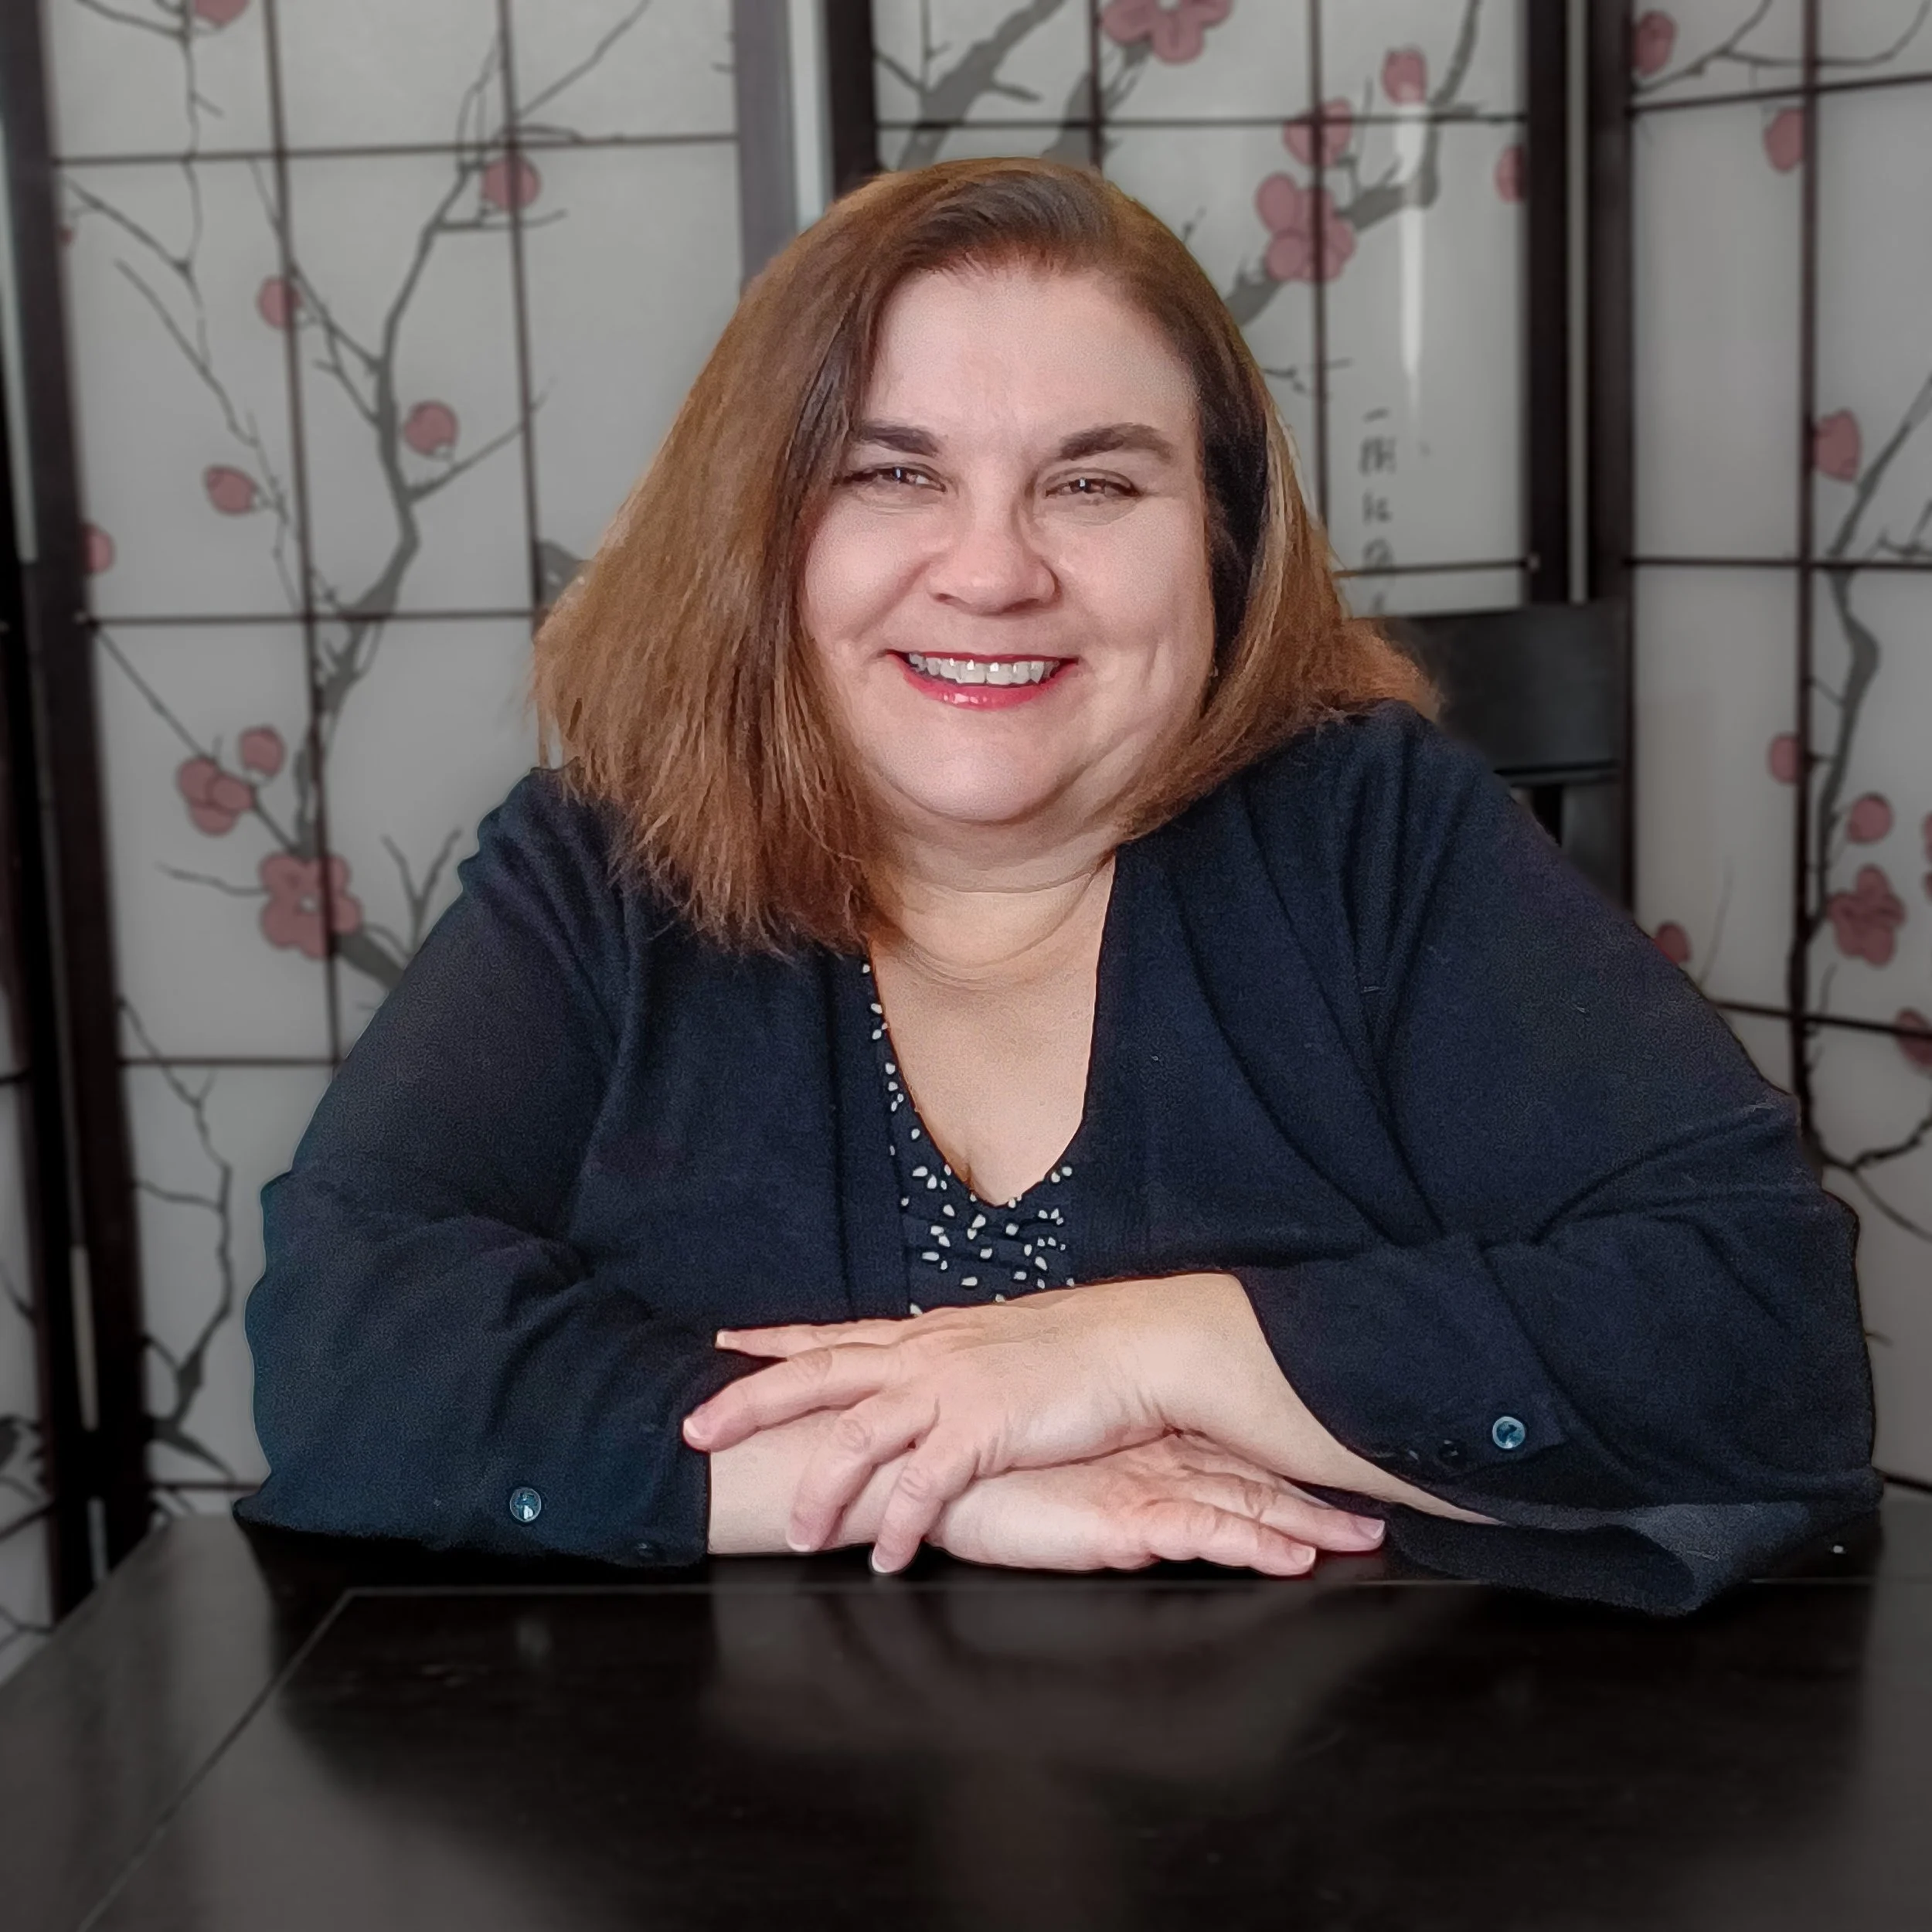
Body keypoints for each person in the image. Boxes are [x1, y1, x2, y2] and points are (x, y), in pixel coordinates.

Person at [238, 159, 1878, 1612]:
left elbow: (1751, 1332)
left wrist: (1119, 1352)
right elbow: (349, 1340)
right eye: (890, 473)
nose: (992, 567)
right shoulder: (605, 864)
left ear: (1221, 547)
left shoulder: (1372, 834)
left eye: (1094, 481)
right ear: (759, 533)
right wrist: (931, 1461)